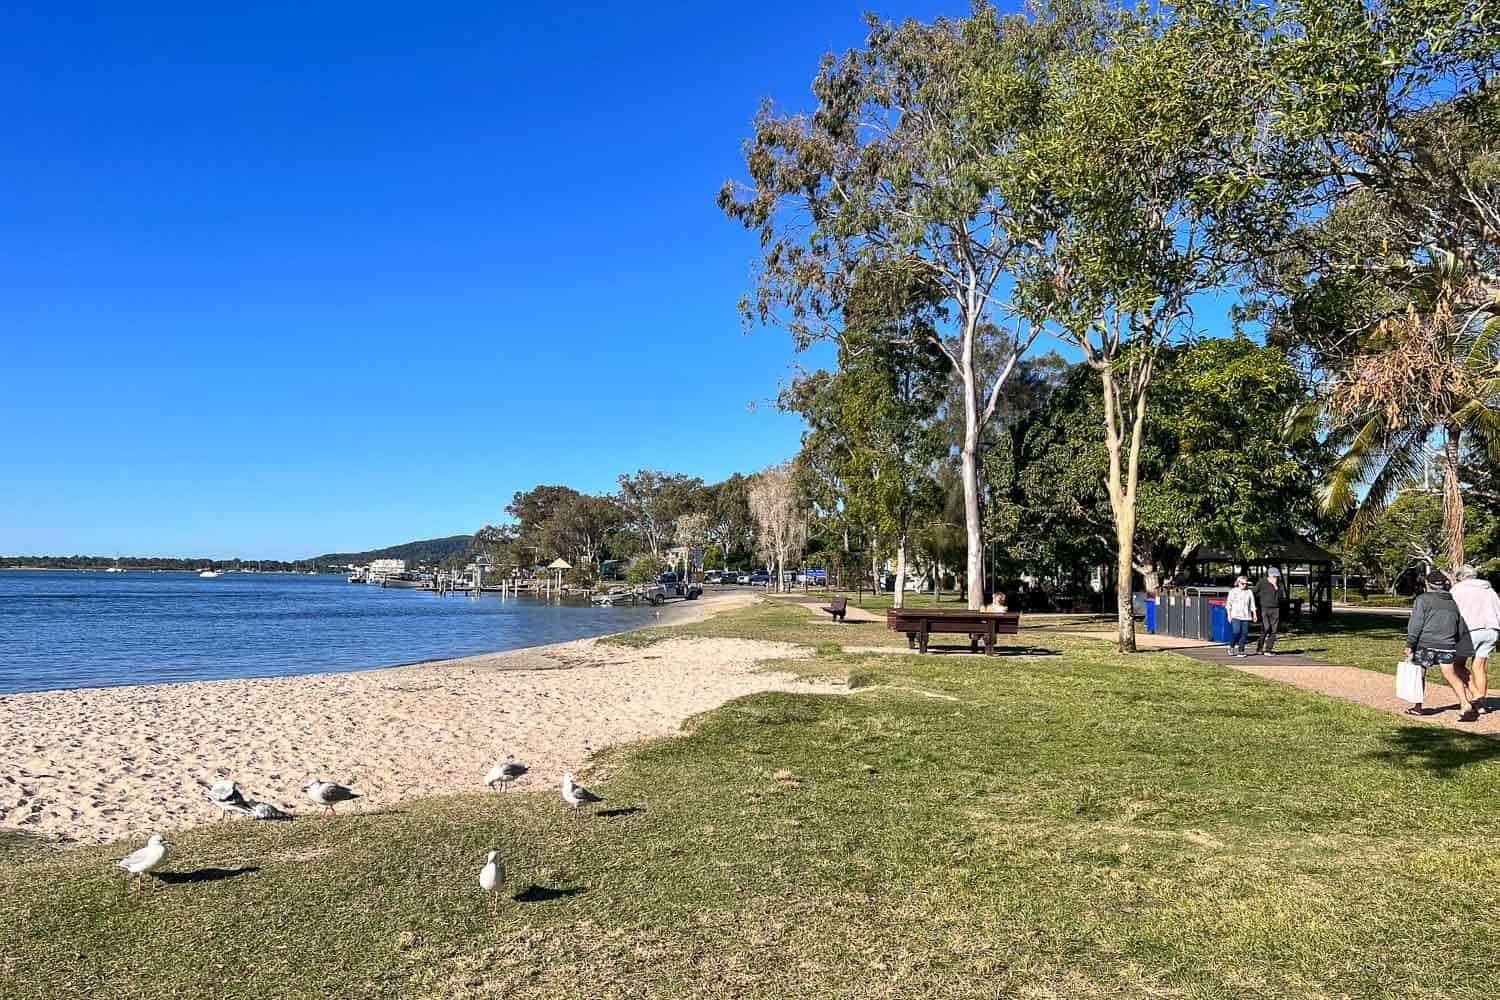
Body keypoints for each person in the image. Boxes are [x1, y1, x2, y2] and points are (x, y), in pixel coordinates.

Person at [1406, 570, 1478, 722]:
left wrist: (1410, 643)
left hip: (1426, 644)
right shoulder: (1452, 602)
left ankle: (1417, 707)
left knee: (1420, 674)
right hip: (1447, 644)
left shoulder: (1422, 599)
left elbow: (1416, 623)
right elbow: (1459, 624)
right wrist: (1454, 641)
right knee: (1451, 675)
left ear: (1428, 584)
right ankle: (1465, 704)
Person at [1452, 565, 1500, 714]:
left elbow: (1453, 612)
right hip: (1491, 631)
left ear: (1460, 577)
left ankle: (1477, 695)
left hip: (1470, 630)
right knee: (1479, 666)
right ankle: (1482, 705)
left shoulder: (1457, 590)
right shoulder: (1489, 590)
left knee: (1456, 666)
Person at [1254, 567, 1284, 655]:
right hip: (1264, 608)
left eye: (1277, 576)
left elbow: (1280, 596)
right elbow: (1254, 591)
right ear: (1269, 574)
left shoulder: (1279, 584)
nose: (1276, 578)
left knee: (1273, 630)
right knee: (1266, 628)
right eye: (1274, 576)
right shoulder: (1262, 582)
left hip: (1275, 609)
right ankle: (1259, 647)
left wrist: (1275, 587)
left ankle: (1268, 649)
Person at [1225, 575, 1257, 657]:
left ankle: (1241, 650)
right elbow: (1229, 604)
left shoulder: (1249, 592)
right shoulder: (1233, 591)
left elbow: (1252, 604)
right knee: (1236, 631)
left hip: (1246, 615)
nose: (1244, 585)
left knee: (1244, 633)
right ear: (1238, 583)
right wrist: (1229, 615)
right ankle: (1231, 646)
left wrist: (1254, 614)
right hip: (1235, 615)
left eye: (1246, 584)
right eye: (1242, 583)